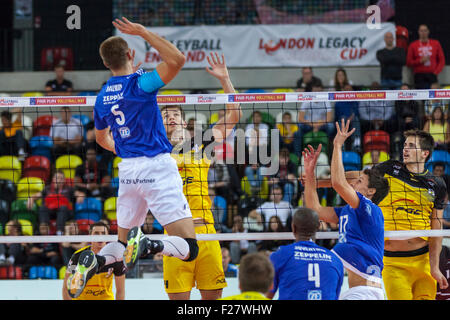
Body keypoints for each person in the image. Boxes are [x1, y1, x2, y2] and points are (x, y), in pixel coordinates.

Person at [66, 17, 198, 298]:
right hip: (157, 167)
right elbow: (177, 59)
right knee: (190, 247)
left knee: (121, 245)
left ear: (105, 64)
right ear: (130, 54)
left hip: (128, 172)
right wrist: (142, 32)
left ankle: (95, 263)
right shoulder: (141, 83)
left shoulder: (101, 97)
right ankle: (151, 244)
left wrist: (125, 148)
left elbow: (101, 139)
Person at [320, 129, 449, 299]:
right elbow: (357, 177)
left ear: (425, 153)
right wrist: (319, 182)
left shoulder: (437, 184)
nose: (405, 149)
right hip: (392, 263)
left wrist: (434, 267)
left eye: (411, 146)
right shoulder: (389, 168)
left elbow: (436, 230)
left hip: (422, 262)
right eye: (404, 145)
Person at [160, 52, 241, 300]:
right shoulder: (154, 153)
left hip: (206, 232)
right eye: (166, 115)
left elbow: (233, 117)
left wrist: (225, 79)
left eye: (176, 115)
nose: (171, 117)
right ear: (160, 125)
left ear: (185, 123)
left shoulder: (200, 145)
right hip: (174, 237)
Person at [303, 119, 390, 300]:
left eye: (359, 181)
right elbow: (315, 209)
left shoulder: (370, 208)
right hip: (357, 291)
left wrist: (337, 145)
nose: (354, 183)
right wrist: (310, 175)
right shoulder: (347, 211)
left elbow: (338, 183)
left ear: (371, 191)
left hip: (366, 292)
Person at [267, 207, 344, 300]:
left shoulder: (279, 255)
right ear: (318, 226)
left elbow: (267, 296)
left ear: (293, 227)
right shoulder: (335, 259)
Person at [63, 222, 126, 300]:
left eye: (103, 233)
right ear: (90, 236)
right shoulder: (77, 256)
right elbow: (66, 287)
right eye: (96, 233)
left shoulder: (116, 257)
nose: (100, 236)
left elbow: (120, 291)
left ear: (108, 236)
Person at [29, 170, 74, 235]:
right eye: (57, 178)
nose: (59, 180)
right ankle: (45, 231)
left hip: (64, 212)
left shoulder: (69, 189)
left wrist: (80, 196)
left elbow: (78, 194)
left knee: (63, 208)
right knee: (42, 208)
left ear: (64, 180)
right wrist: (31, 198)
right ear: (53, 179)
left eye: (61, 178)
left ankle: (59, 232)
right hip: (50, 211)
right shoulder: (47, 188)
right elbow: (36, 195)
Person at [406, 24, 445, 89]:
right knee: (420, 95)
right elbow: (408, 62)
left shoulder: (436, 43)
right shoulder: (413, 45)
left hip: (432, 74)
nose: (423, 33)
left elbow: (442, 60)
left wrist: (436, 72)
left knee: (433, 95)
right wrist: (420, 61)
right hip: (419, 75)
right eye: (421, 31)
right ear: (418, 32)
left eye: (425, 30)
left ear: (428, 31)